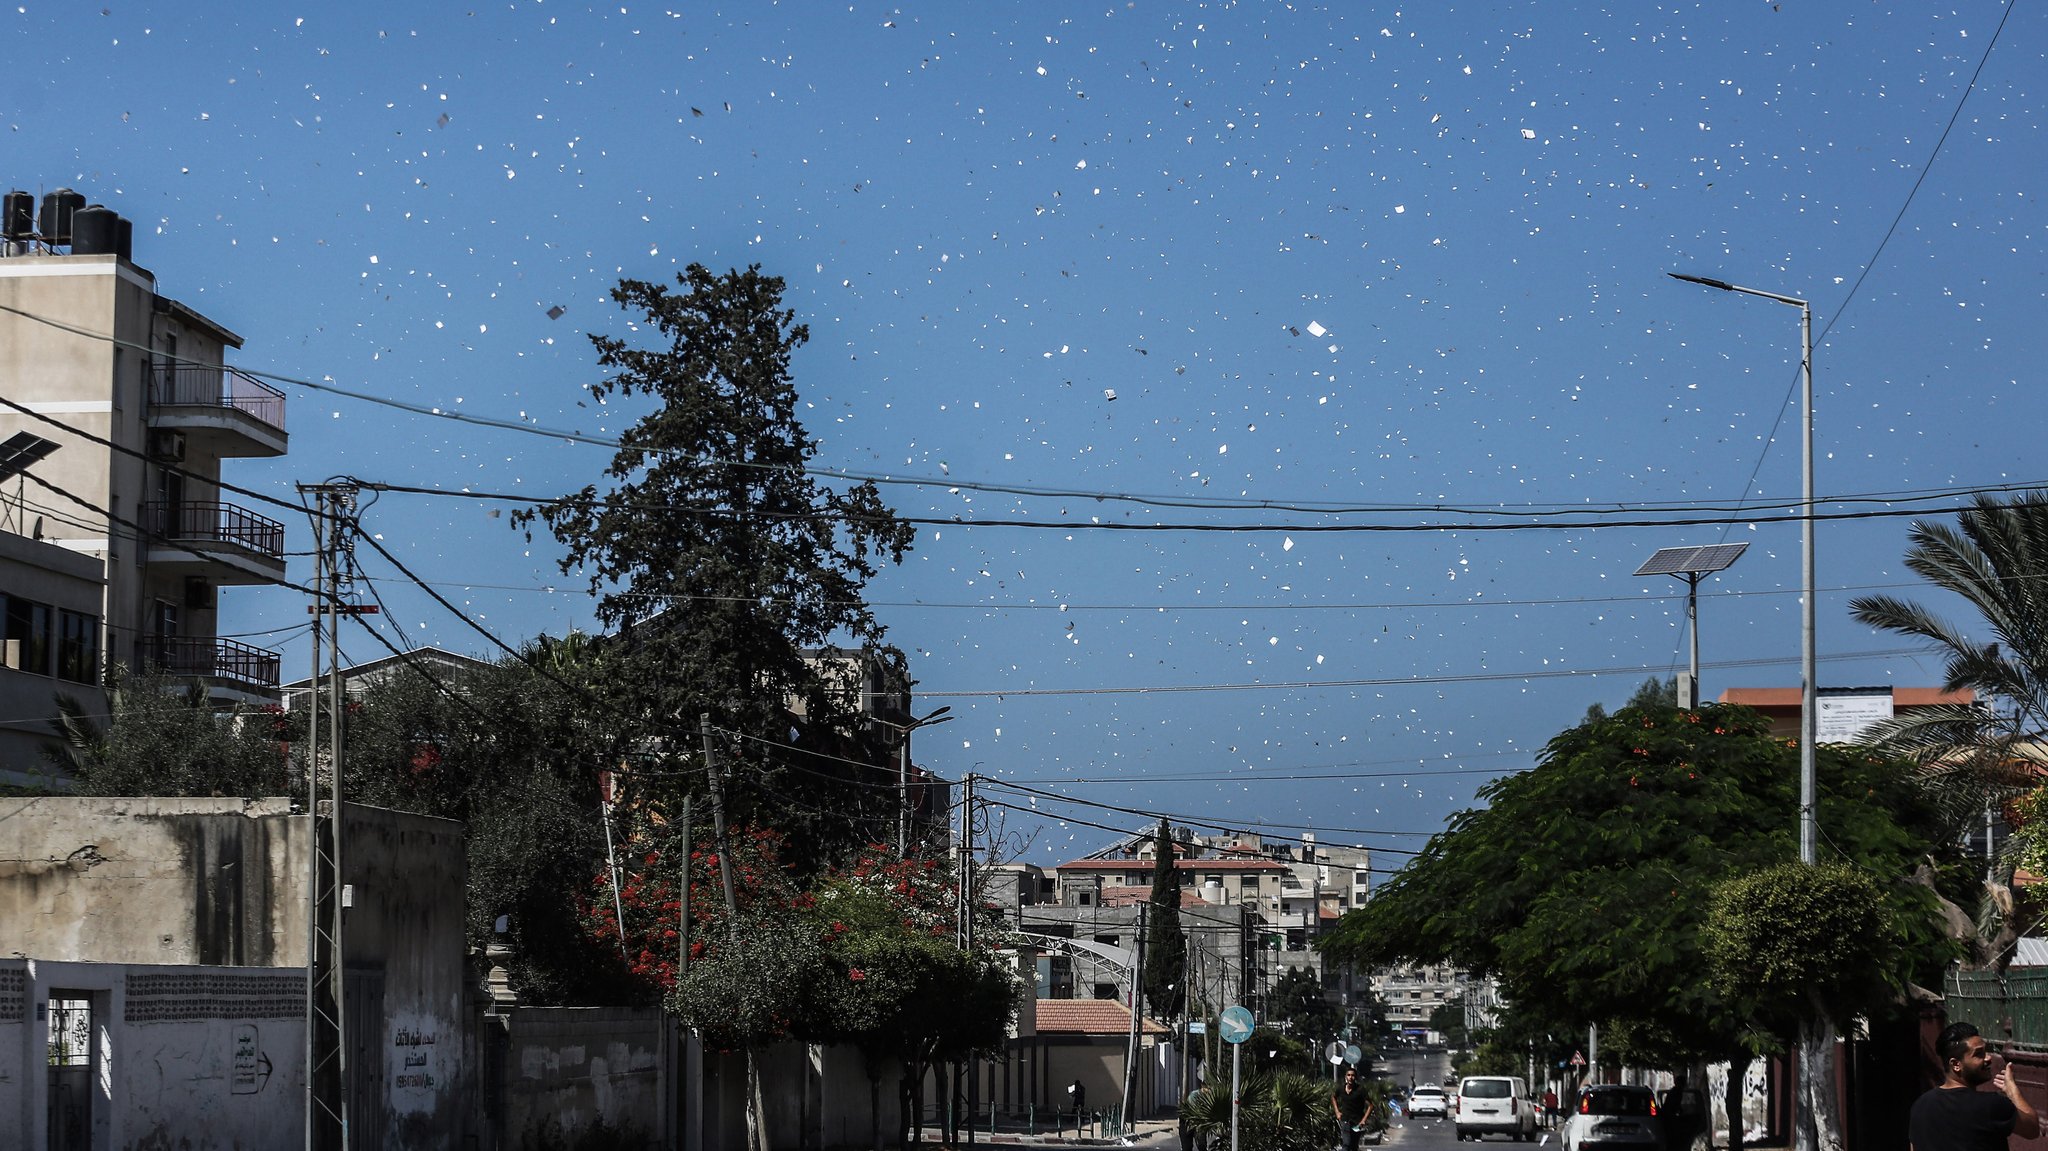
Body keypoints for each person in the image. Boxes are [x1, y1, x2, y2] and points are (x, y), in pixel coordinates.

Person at [1909, 1021, 2041, 1151]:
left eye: (1986, 1051)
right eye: (1979, 1054)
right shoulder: (1991, 1105)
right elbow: (2032, 1128)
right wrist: (2013, 1091)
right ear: (1956, 1064)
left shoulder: (1920, 1106)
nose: (1988, 1058)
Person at [1333, 1067, 1375, 1151]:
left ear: (1355, 1077)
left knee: (1354, 1146)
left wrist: (1363, 1120)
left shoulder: (1360, 1090)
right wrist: (1337, 1111)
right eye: (1348, 1075)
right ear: (1345, 1077)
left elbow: (1371, 1106)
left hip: (1357, 1122)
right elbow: (1333, 1097)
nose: (1350, 1077)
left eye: (1352, 1075)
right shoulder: (1341, 1089)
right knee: (1346, 1144)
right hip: (1345, 1120)